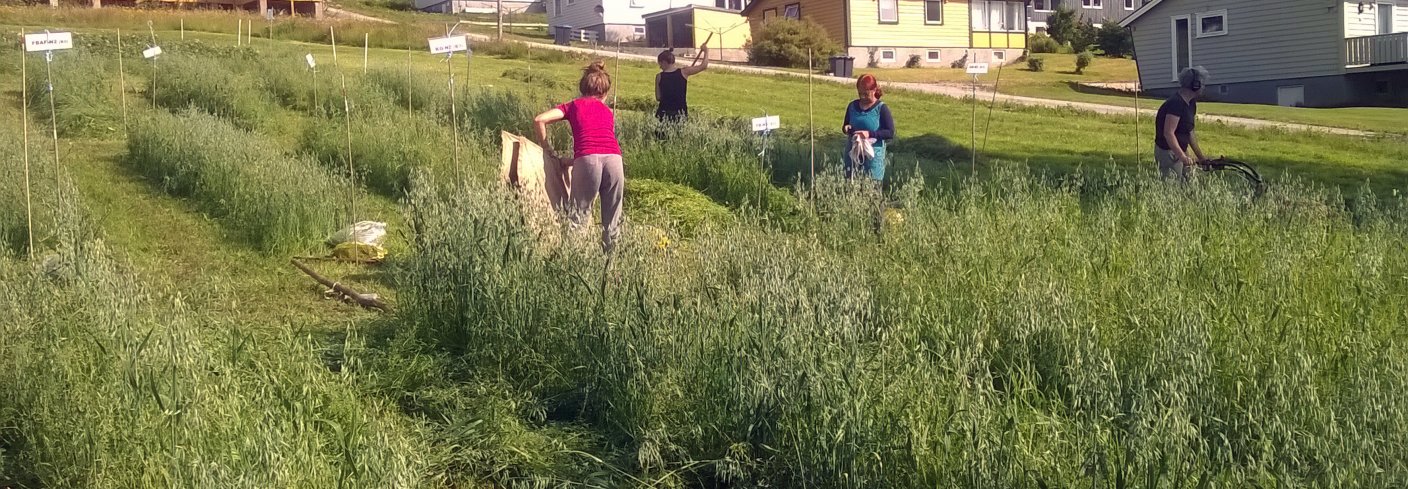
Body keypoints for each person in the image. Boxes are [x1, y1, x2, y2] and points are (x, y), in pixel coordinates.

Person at [533, 61, 625, 252]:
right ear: (605, 93)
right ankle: (611, 264)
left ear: (582, 88)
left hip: (588, 161)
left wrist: (548, 149)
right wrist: (571, 161)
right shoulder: (608, 112)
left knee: (578, 217)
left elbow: (539, 119)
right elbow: (600, 149)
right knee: (612, 219)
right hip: (615, 160)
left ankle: (574, 264)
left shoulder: (573, 105)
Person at [1155, 66, 1212, 180]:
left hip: (1181, 150)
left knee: (1189, 184)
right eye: (1202, 84)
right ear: (1195, 85)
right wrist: (1182, 156)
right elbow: (1169, 133)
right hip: (1168, 152)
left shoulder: (1191, 103)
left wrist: (1201, 157)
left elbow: (1190, 132)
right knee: (1172, 189)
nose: (1203, 87)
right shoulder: (1176, 104)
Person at [842, 74, 896, 182]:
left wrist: (870, 134)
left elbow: (890, 132)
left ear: (874, 90)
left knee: (872, 190)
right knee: (851, 187)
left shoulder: (881, 109)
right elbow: (845, 125)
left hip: (872, 158)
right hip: (854, 155)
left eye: (865, 94)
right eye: (860, 93)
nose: (862, 97)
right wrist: (846, 128)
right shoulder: (852, 106)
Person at [654, 43, 710, 124]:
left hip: (664, 113)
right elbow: (703, 66)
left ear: (664, 62)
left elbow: (658, 97)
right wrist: (706, 51)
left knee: (661, 136)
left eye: (660, 64)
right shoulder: (684, 72)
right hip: (680, 112)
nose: (660, 67)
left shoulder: (659, 77)